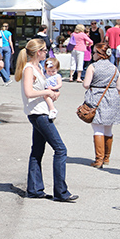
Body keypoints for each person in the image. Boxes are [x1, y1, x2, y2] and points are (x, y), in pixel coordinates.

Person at [15, 39, 77, 202]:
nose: (46, 52)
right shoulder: (29, 68)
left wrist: (49, 93)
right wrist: (48, 92)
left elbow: (38, 91)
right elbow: (28, 92)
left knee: (37, 150)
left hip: (40, 111)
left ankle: (34, 189)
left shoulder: (37, 68)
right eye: (44, 50)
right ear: (38, 52)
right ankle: (60, 192)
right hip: (38, 113)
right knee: (60, 149)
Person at [82, 43, 120, 168]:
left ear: (99, 54)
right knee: (108, 129)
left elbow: (86, 84)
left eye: (94, 52)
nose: (92, 54)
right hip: (112, 97)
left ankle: (98, 160)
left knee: (97, 128)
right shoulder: (114, 68)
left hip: (97, 98)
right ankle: (106, 158)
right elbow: (119, 86)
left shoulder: (93, 67)